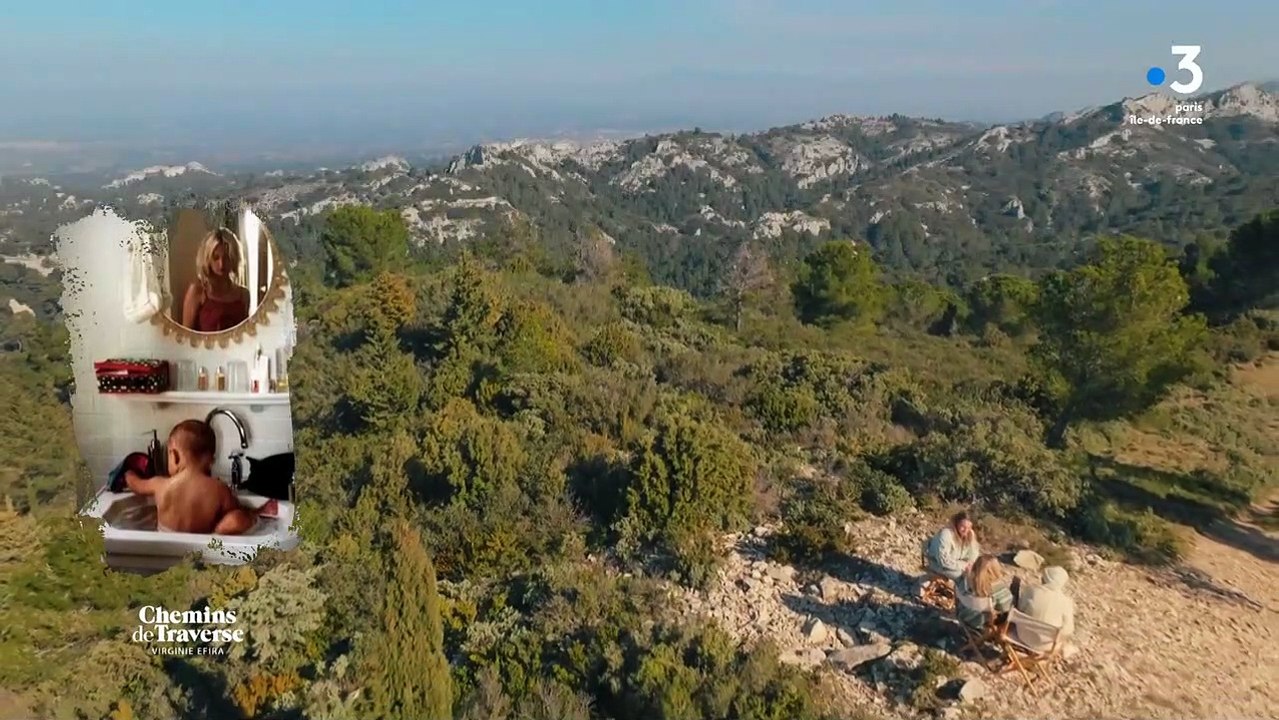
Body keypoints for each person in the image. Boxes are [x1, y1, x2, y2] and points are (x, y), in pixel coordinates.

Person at [123, 419, 265, 535]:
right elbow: (234, 513)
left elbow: (136, 485)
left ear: (175, 456)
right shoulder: (219, 490)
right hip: (200, 549)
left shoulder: (160, 485)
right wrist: (251, 514)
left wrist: (128, 473)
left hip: (166, 549)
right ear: (211, 460)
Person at [182, 227, 250, 332]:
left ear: (234, 257)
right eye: (216, 257)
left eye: (226, 257)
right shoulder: (197, 292)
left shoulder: (243, 295)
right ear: (208, 259)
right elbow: (186, 336)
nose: (221, 264)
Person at [1012, 566, 1076, 651]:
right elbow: (1068, 629)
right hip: (1046, 645)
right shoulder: (1066, 602)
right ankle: (1037, 657)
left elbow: (1019, 609)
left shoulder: (1032, 591)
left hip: (1022, 635)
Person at [955, 554, 1016, 629]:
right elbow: (1006, 608)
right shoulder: (998, 589)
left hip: (963, 616)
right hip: (983, 625)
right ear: (996, 570)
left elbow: (957, 596)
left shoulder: (964, 581)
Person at [924, 510, 981, 581]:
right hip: (938, 565)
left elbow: (974, 554)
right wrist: (964, 565)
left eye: (969, 527)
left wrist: (970, 564)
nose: (966, 530)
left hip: (958, 565)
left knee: (979, 575)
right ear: (957, 524)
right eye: (963, 526)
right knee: (964, 577)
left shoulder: (970, 534)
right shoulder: (946, 534)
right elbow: (943, 561)